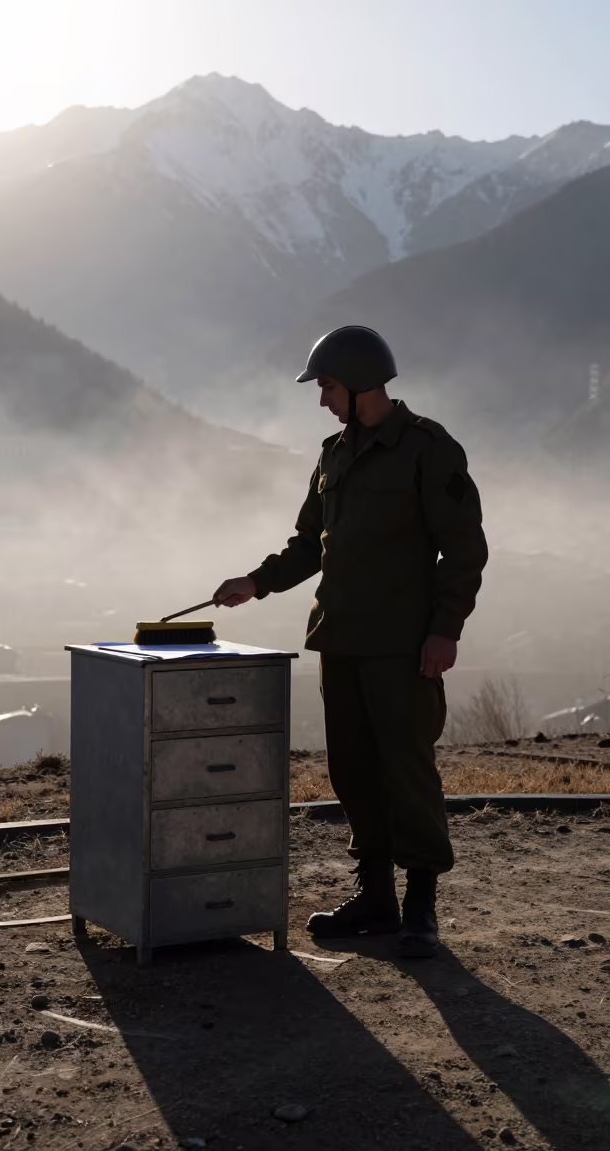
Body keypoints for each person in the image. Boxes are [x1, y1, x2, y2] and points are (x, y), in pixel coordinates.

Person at [214, 325, 488, 957]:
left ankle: (420, 906)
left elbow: (465, 547)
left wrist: (446, 629)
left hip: (403, 646)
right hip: (341, 642)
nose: (321, 400)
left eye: (328, 386)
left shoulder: (427, 448)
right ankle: (375, 898)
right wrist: (255, 583)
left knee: (408, 771)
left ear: (364, 382)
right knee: (355, 773)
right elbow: (311, 545)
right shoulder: (332, 455)